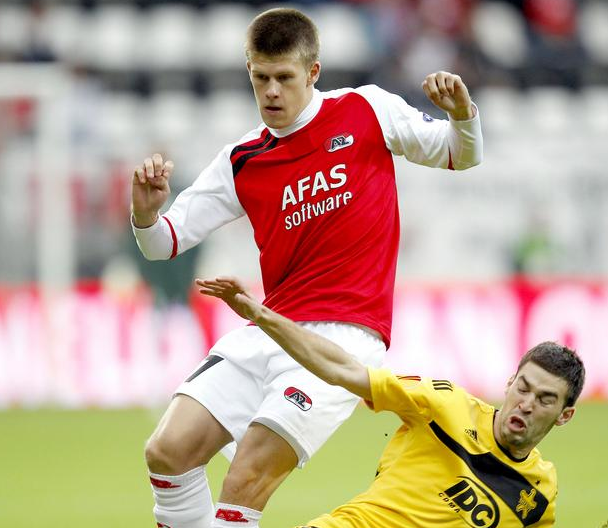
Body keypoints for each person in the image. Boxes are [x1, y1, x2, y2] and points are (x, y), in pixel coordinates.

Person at [131, 7, 483, 528]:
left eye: (284, 78)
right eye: (260, 78)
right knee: (167, 451)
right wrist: (144, 214)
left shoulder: (367, 109)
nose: (271, 92)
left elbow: (460, 154)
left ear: (313, 72)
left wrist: (462, 115)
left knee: (246, 477)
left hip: (342, 338)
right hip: (269, 327)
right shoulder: (241, 160)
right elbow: (163, 243)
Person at [197, 276, 585, 528]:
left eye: (544, 399)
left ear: (564, 415)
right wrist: (262, 315)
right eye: (523, 388)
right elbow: (341, 369)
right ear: (510, 382)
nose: (526, 404)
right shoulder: (445, 404)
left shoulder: (539, 495)